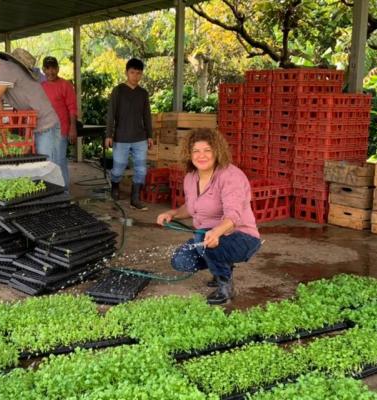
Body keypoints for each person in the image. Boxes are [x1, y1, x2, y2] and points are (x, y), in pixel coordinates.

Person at [156, 129, 261, 305]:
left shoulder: (230, 175)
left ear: (217, 151)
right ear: (189, 154)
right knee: (181, 261)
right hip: (208, 237)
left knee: (202, 237)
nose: (201, 155)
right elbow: (191, 208)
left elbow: (233, 215)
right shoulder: (191, 177)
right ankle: (220, 264)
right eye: (196, 151)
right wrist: (172, 213)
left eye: (207, 150)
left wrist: (217, 232)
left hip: (242, 238)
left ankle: (225, 286)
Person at [0, 42, 63, 182]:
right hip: (32, 127)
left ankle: (59, 201)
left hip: (46, 125)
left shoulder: (5, 69)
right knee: (36, 173)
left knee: (48, 172)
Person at [105, 58, 153, 210]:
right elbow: (111, 113)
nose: (135, 76)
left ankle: (135, 198)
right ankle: (115, 186)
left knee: (141, 169)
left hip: (140, 138)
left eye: (139, 73)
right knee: (118, 168)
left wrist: (149, 135)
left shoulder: (143, 93)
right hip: (121, 137)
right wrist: (108, 135)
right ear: (126, 73)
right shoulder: (118, 90)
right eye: (132, 72)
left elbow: (147, 115)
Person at [41, 56, 77, 188]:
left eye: (53, 68)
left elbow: (72, 108)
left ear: (58, 68)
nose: (50, 71)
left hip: (61, 128)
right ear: (43, 70)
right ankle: (51, 191)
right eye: (47, 68)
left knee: (60, 160)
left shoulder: (65, 85)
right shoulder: (41, 86)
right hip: (44, 129)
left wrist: (73, 128)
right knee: (47, 160)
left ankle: (64, 191)